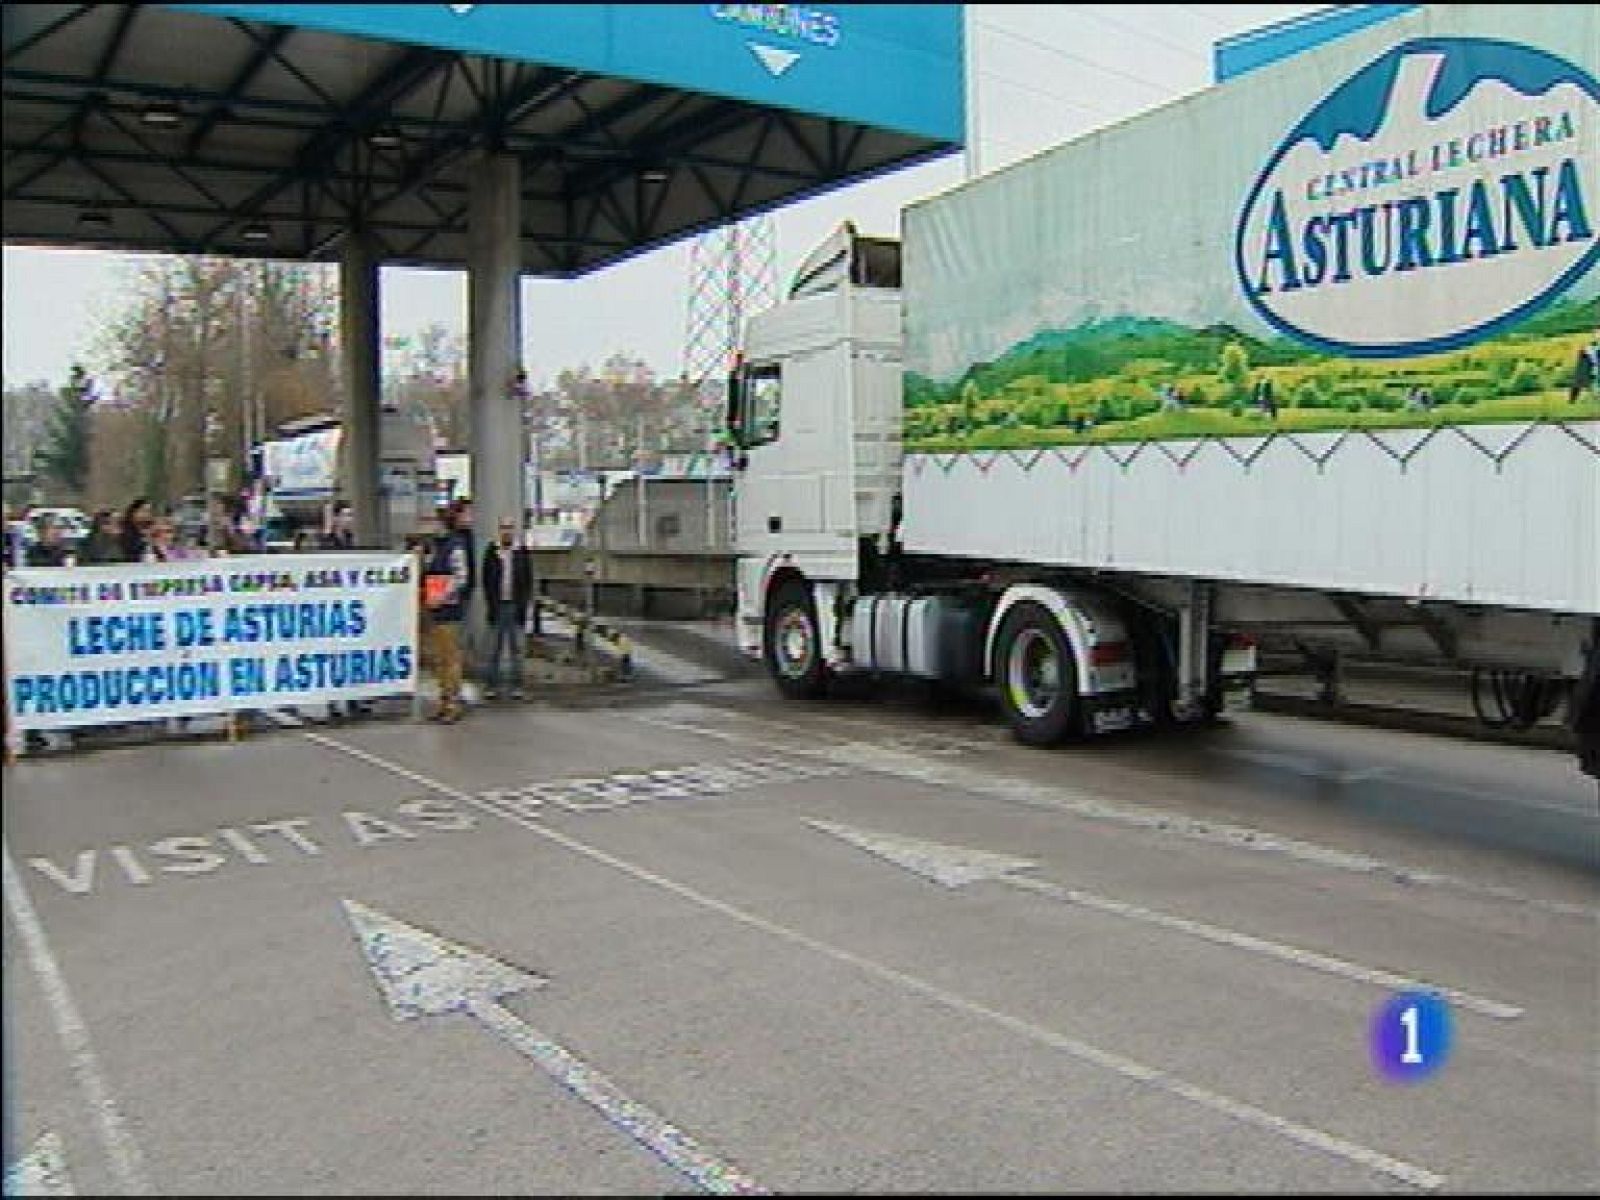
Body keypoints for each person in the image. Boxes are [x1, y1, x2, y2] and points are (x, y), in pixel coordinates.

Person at [422, 506, 470, 723]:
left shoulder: (455, 547)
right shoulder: (435, 547)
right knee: (439, 658)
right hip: (434, 608)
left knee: (450, 658)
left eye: (436, 523)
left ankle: (453, 702)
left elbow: (461, 577)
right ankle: (444, 699)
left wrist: (443, 595)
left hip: (448, 609)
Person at [481, 515, 533, 701]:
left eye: (510, 527)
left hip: (515, 607)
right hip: (497, 607)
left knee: (517, 649)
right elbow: (486, 580)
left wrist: (524, 607)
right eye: (504, 527)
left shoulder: (522, 552)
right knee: (493, 648)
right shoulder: (492, 551)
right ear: (499, 530)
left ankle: (517, 686)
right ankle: (491, 686)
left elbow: (527, 581)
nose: (507, 531)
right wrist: (490, 604)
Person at [119, 497, 153, 563]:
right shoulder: (126, 532)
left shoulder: (148, 530)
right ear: (134, 512)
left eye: (149, 511)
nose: (146, 515)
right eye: (144, 511)